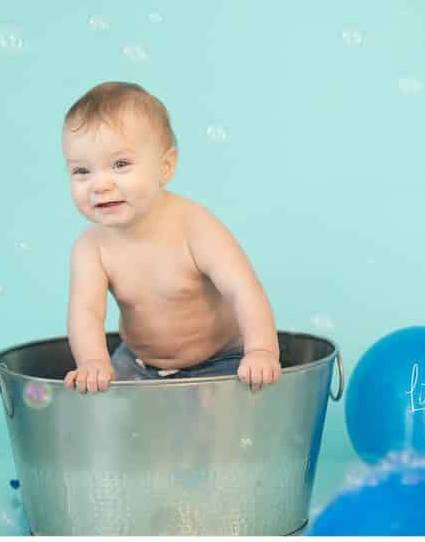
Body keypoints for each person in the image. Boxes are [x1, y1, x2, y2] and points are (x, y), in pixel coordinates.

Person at [61, 81, 282, 394]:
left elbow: (242, 288)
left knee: (218, 418)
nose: (100, 185)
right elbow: (86, 310)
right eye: (82, 171)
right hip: (138, 362)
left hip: (222, 358)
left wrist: (261, 351)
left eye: (120, 164)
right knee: (106, 408)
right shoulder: (91, 247)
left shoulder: (195, 226)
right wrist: (93, 362)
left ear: (165, 167)